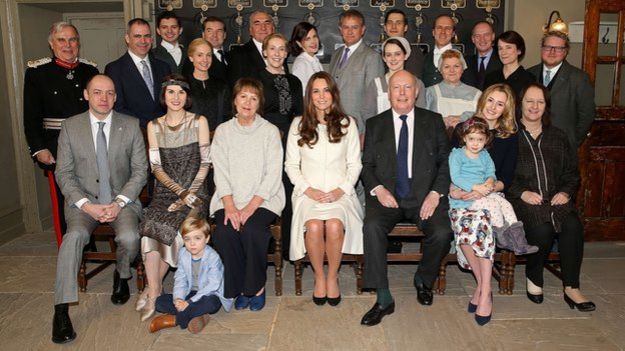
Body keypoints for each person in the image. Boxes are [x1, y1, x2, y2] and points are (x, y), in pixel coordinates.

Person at [52, 74, 148, 343]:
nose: (104, 98)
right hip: (83, 203)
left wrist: (119, 203)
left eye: (109, 93)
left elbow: (140, 171)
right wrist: (86, 205)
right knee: (74, 238)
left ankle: (122, 273)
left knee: (129, 238)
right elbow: (64, 173)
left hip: (122, 200)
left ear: (115, 97)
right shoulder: (71, 127)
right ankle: (61, 311)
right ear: (86, 95)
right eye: (97, 92)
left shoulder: (130, 125)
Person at [360, 71, 452, 326]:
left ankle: (423, 279)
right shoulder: (375, 124)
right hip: (389, 197)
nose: (402, 92)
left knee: (443, 232)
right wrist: (379, 189)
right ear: (388, 93)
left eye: (407, 87)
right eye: (396, 88)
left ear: (416, 92)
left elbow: (445, 162)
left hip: (424, 197)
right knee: (372, 226)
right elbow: (366, 165)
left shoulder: (433, 121)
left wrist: (436, 193)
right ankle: (382, 296)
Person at [509, 83, 596, 312]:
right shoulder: (509, 135)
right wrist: (522, 193)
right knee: (542, 229)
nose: (534, 106)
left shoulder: (558, 136)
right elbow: (500, 174)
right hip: (522, 200)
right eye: (529, 101)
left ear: (546, 106)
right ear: (520, 104)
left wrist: (565, 192)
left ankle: (571, 287)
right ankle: (534, 275)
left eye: (540, 101)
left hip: (556, 198)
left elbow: (571, 173)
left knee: (573, 225)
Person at [284, 72, 363, 306]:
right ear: (310, 96)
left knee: (336, 225)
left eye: (326, 90)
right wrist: (308, 190)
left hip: (340, 194)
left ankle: (332, 276)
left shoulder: (348, 124)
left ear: (333, 94)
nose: (321, 96)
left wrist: (341, 190)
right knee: (315, 226)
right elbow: (290, 165)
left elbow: (354, 164)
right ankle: (319, 276)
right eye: (316, 91)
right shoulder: (298, 125)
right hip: (308, 194)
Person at [137, 74, 211, 322]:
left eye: (180, 92)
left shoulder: (199, 122)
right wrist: (179, 193)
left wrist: (189, 194)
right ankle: (155, 288)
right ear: (164, 96)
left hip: (197, 193)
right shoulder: (153, 126)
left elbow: (206, 162)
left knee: (175, 228)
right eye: (171, 92)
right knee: (150, 227)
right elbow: (156, 168)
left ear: (187, 96)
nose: (176, 97)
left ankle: (152, 289)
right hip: (166, 192)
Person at [210, 78, 285, 312]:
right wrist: (231, 207)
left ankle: (256, 287)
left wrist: (250, 208)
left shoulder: (270, 132)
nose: (248, 102)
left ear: (259, 103)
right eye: (243, 96)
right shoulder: (223, 131)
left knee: (253, 230)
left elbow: (273, 174)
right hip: (228, 197)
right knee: (224, 232)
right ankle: (240, 287)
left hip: (265, 198)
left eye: (254, 98)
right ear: (234, 100)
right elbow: (219, 172)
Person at [23, 22, 99, 238]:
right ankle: (68, 246)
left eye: (72, 39)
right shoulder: (38, 73)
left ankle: (88, 240)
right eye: (61, 40)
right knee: (63, 198)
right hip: (56, 146)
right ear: (51, 44)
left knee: (91, 193)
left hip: (89, 143)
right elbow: (31, 116)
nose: (68, 45)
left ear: (79, 43)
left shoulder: (90, 70)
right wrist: (38, 148)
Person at [258, 33, 304, 256]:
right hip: (263, 140)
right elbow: (252, 112)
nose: (277, 54)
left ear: (287, 53)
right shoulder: (256, 80)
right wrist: (269, 130)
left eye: (281, 49)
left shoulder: (295, 81)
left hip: (291, 140)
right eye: (272, 49)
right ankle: (265, 243)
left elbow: (300, 113)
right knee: (266, 188)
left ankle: (288, 245)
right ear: (265, 52)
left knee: (288, 189)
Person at [148, 216, 233, 334]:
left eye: (197, 238)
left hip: (208, 294)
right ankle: (199, 316)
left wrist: (189, 302)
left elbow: (213, 285)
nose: (192, 243)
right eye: (187, 239)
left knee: (212, 304)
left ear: (207, 238)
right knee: (159, 302)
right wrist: (178, 298)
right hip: (190, 293)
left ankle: (174, 320)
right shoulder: (183, 253)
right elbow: (180, 279)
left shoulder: (213, 257)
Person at [528, 31, 595, 150]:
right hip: (531, 144)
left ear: (565, 52)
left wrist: (573, 142)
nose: (552, 52)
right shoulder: (528, 74)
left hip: (563, 147)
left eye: (558, 48)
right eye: (548, 47)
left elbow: (587, 115)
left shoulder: (579, 78)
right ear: (542, 49)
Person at [105, 18, 171, 127]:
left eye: (147, 36)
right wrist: (149, 126)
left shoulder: (163, 67)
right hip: (134, 133)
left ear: (152, 39)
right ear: (127, 38)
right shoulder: (114, 69)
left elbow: (170, 101)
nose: (143, 41)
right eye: (137, 36)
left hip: (164, 131)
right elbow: (118, 107)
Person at [328, 9, 384, 139]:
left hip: (358, 128)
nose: (350, 31)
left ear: (363, 29)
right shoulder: (336, 54)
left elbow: (374, 99)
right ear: (340, 29)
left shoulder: (372, 57)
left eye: (354, 27)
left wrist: (368, 131)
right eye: (346, 27)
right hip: (333, 124)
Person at [362, 37, 426, 121]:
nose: (393, 59)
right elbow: (367, 113)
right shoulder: (375, 84)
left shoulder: (417, 83)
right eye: (388, 55)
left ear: (406, 55)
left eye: (397, 54)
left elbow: (421, 113)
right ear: (384, 58)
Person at [425, 49, 482, 129]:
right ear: (440, 70)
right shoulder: (430, 92)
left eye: (456, 66)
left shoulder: (477, 94)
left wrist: (462, 118)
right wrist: (441, 121)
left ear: (463, 69)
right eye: (447, 67)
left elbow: (482, 121)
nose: (452, 70)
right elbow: (424, 120)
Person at [228, 11, 287, 83]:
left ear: (273, 29)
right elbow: (236, 87)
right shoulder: (238, 54)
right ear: (250, 31)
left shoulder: (280, 52)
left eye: (267, 23)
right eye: (257, 24)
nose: (263, 28)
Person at [186, 38, 231, 131]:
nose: (205, 59)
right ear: (191, 57)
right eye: (200, 55)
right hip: (191, 140)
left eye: (208, 55)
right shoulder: (183, 86)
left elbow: (227, 115)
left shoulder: (222, 85)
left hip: (218, 139)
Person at [484, 31, 535, 99]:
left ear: (519, 50)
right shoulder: (490, 78)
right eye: (500, 48)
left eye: (508, 47)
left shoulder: (529, 79)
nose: (503, 52)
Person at [383, 9, 425, 79]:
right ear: (385, 27)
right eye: (390, 23)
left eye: (398, 23)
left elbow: (412, 82)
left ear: (405, 28)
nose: (394, 27)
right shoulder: (380, 52)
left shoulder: (414, 52)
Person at [462, 21, 502, 90]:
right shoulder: (465, 62)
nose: (482, 39)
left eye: (486, 35)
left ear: (493, 36)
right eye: (477, 36)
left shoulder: (503, 61)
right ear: (473, 39)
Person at [289, 22, 323, 96]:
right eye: (307, 39)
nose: (313, 42)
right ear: (299, 43)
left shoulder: (314, 60)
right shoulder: (301, 63)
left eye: (314, 36)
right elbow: (302, 94)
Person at [422, 15, 455, 87]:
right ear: (433, 32)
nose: (443, 32)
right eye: (439, 28)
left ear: (453, 34)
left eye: (448, 28)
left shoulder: (463, 58)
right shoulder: (424, 58)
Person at [202, 16, 230, 83]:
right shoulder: (196, 59)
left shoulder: (232, 57)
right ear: (203, 34)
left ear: (225, 35)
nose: (214, 35)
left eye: (219, 31)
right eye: (210, 31)